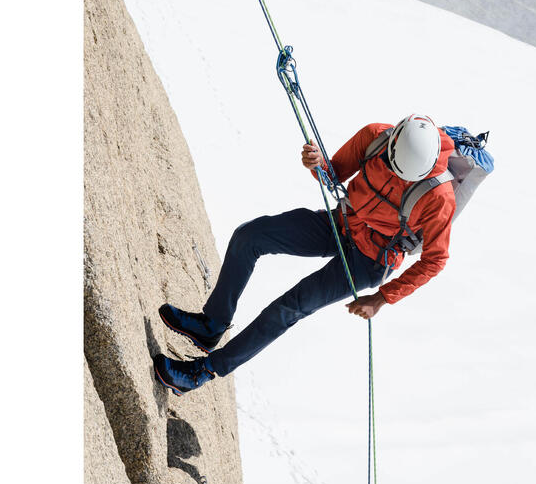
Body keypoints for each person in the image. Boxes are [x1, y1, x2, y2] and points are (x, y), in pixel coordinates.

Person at [153, 114, 456, 396]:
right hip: (342, 223)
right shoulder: (376, 136)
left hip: (370, 261)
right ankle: (212, 324)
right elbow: (334, 174)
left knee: (288, 307)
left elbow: (435, 260)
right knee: (250, 237)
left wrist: (382, 297)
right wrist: (319, 166)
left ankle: (203, 372)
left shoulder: (439, 197)